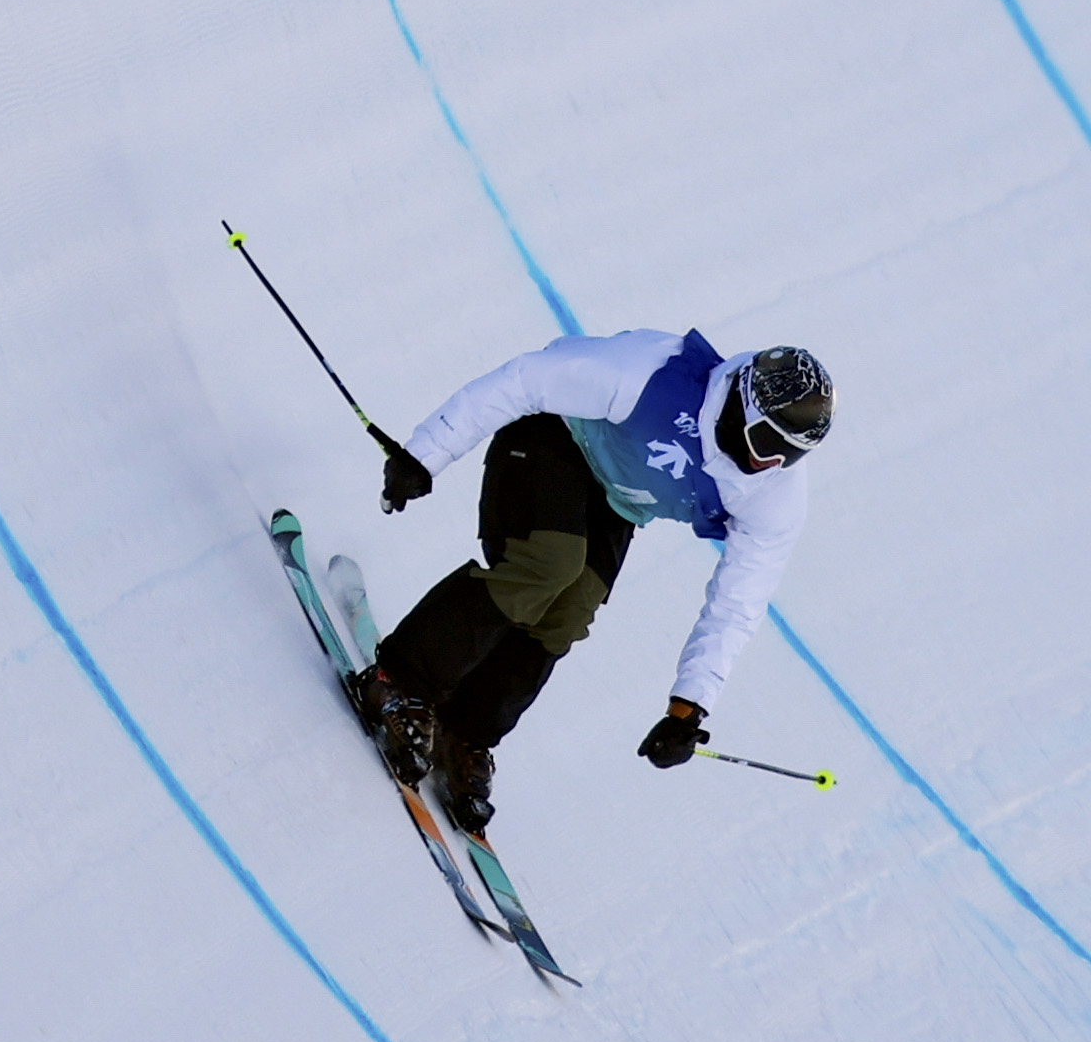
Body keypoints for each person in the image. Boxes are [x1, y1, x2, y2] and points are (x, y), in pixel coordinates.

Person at [349, 330, 832, 832]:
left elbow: (737, 605)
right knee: (548, 565)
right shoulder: (650, 373)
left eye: (789, 454)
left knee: (573, 606)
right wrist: (424, 455)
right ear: (741, 406)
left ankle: (467, 729)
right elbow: (525, 380)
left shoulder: (774, 494)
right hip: (550, 436)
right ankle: (395, 681)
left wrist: (689, 708)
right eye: (766, 441)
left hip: (616, 500)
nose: (769, 462)